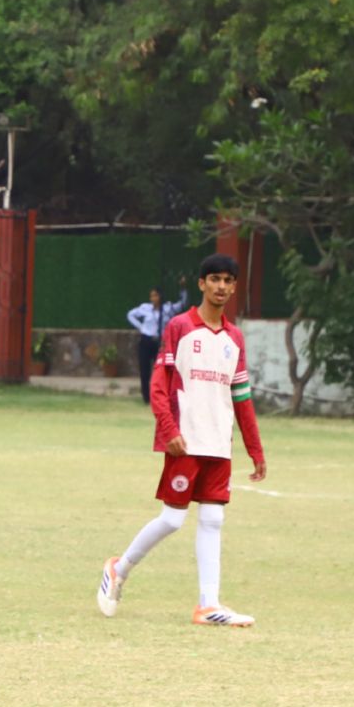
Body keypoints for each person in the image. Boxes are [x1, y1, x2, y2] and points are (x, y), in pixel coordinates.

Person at [98, 254, 267, 628]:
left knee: (213, 518)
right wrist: (169, 429)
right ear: (202, 284)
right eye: (215, 279)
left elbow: (241, 397)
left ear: (234, 287)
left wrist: (255, 449)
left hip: (219, 443)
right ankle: (118, 568)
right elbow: (159, 385)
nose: (221, 286)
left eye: (228, 280)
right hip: (186, 441)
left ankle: (208, 605)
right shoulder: (179, 327)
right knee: (173, 519)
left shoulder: (234, 339)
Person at [126, 283, 185, 403]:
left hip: (159, 342)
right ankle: (146, 397)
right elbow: (130, 314)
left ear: (160, 296)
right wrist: (141, 327)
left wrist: (183, 289)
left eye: (155, 296)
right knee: (144, 369)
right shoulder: (145, 308)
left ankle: (161, 395)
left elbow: (182, 304)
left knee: (161, 369)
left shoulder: (167, 309)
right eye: (151, 296)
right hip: (146, 340)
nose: (153, 298)